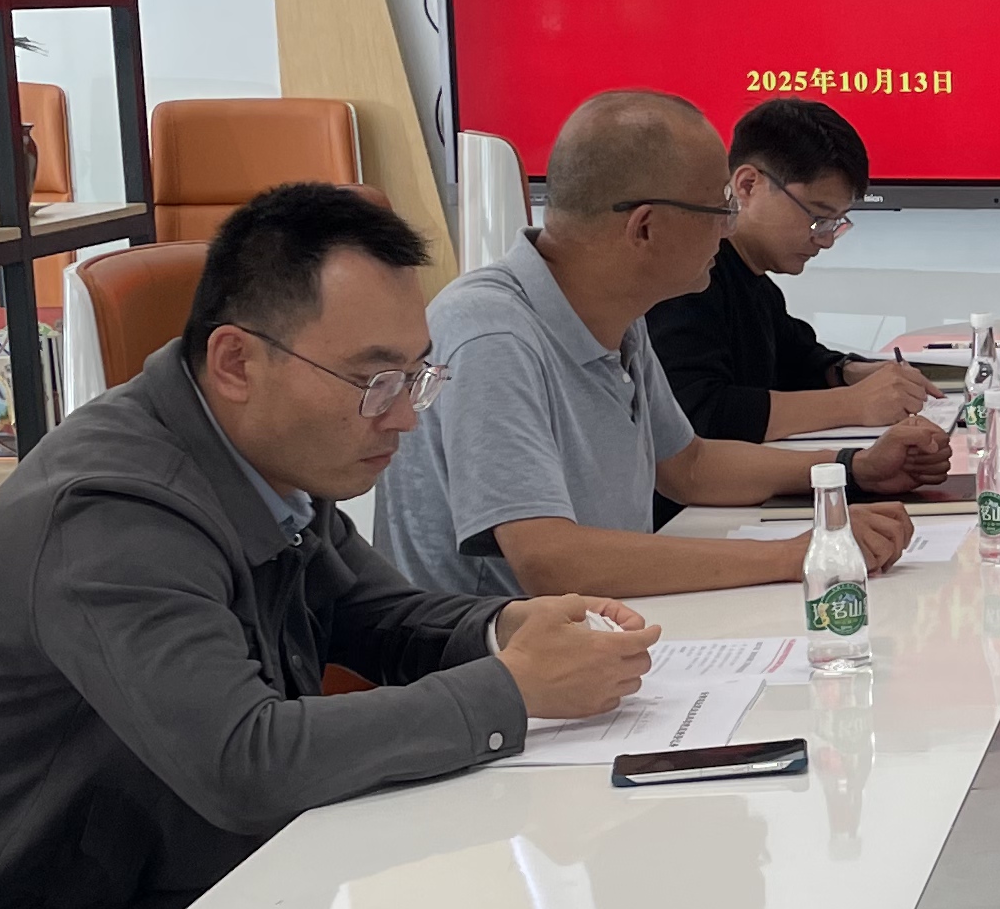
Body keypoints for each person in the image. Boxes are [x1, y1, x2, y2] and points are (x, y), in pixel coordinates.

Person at [0, 184, 659, 909]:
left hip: (199, 897)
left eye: (415, 377)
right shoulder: (111, 514)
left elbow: (375, 615)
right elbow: (243, 761)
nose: (404, 418)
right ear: (236, 363)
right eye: (374, 380)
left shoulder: (261, 462)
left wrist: (507, 627)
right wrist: (513, 688)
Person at [376, 90, 943, 599]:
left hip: (603, 631)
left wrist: (854, 468)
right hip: (506, 661)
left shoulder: (620, 317)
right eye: (719, 209)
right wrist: (794, 555)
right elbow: (549, 560)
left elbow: (690, 467)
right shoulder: (491, 334)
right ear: (644, 227)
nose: (729, 228)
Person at [644, 94, 937, 445]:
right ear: (748, 185)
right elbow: (699, 413)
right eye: (817, 217)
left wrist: (849, 372)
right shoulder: (689, 279)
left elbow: (799, 360)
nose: (825, 240)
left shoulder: (756, 283)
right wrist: (852, 405)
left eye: (835, 223)